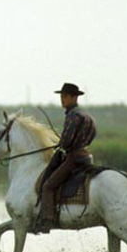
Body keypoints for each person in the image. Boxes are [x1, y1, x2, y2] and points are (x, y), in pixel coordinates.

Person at [36, 83, 97, 234]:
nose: (62, 100)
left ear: (73, 97)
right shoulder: (87, 116)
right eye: (61, 97)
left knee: (48, 186)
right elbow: (93, 134)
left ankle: (47, 220)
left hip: (73, 158)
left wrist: (61, 145)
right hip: (86, 156)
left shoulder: (72, 116)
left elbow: (67, 140)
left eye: (64, 97)